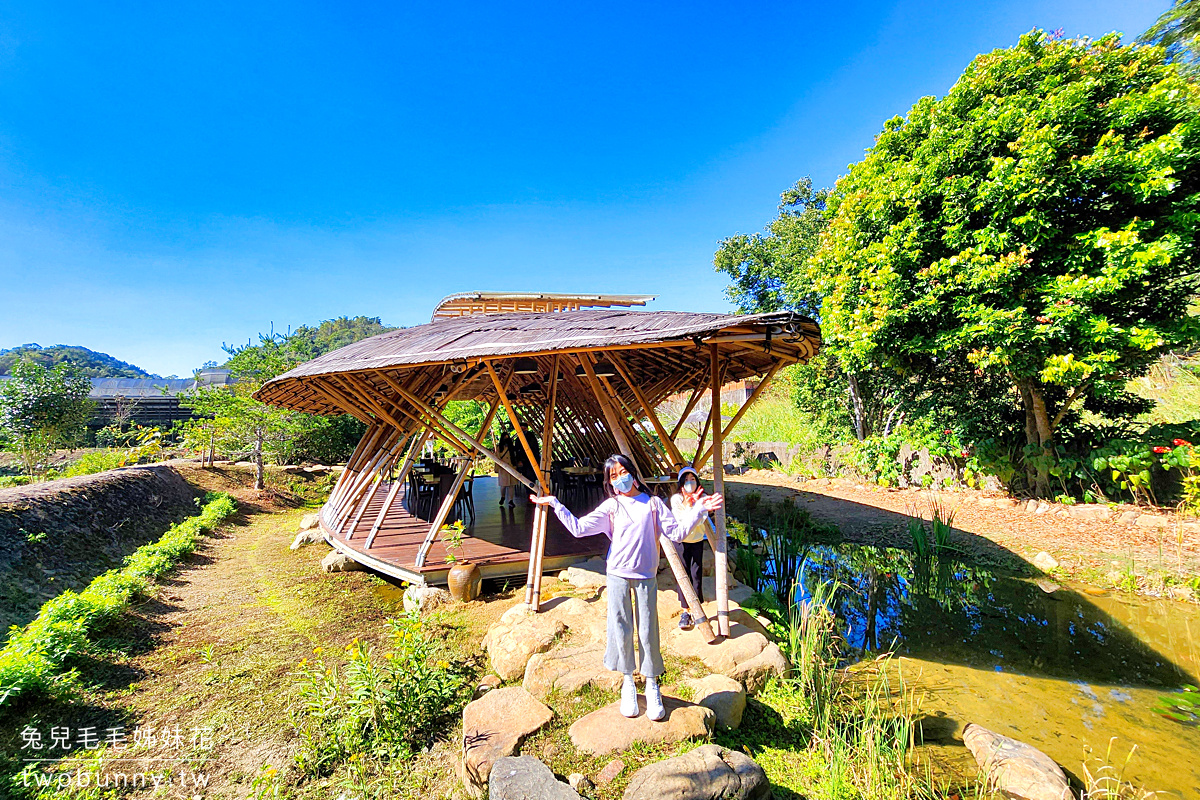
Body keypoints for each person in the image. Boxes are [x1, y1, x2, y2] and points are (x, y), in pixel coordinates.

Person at [530, 454, 723, 721]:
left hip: (646, 575)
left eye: (623, 472)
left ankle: (652, 683)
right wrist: (555, 504)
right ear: (609, 482)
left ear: (632, 472)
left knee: (647, 628)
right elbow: (578, 528)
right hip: (618, 574)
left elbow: (677, 533)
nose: (620, 478)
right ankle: (628, 683)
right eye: (613, 476)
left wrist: (699, 510)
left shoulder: (653, 504)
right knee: (620, 627)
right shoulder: (612, 507)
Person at [669, 467, 710, 631]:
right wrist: (689, 505)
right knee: (683, 573)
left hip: (697, 540)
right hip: (681, 541)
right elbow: (680, 521)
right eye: (686, 480)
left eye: (692, 479)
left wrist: (695, 505)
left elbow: (701, 520)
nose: (689, 483)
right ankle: (685, 611)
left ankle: (697, 608)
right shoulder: (676, 499)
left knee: (696, 573)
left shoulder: (704, 498)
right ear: (681, 483)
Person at [496, 431, 519, 507]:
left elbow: (515, 457)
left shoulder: (512, 448)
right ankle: (503, 496)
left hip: (512, 467)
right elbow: (497, 458)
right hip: (503, 468)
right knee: (503, 485)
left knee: (511, 485)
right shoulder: (499, 448)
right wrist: (497, 468)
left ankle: (510, 500)